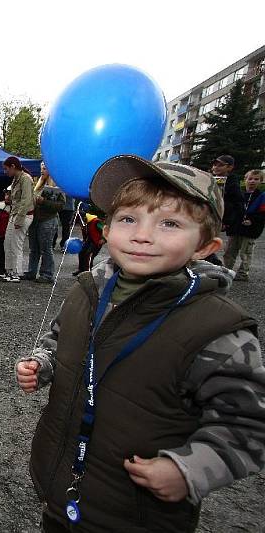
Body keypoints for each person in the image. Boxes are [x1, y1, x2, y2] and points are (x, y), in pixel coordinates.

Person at [16, 155, 265, 532]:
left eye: (169, 223)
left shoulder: (218, 328)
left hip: (136, 514)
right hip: (65, 483)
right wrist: (43, 363)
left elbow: (248, 423)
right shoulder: (87, 291)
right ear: (108, 226)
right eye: (128, 219)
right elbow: (59, 339)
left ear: (204, 246)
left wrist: (189, 469)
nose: (142, 235)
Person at [21, 166, 64, 284]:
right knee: (33, 248)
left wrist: (43, 202)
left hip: (48, 220)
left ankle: (47, 274)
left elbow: (61, 205)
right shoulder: (38, 184)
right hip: (35, 220)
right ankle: (31, 272)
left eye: (45, 168)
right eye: (41, 168)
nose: (42, 170)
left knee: (45, 248)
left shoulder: (58, 187)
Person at [223, 169, 265, 281]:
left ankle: (243, 273)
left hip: (250, 230)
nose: (252, 181)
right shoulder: (238, 194)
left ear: (261, 181)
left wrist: (252, 220)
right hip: (236, 227)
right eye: (250, 179)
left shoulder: (262, 197)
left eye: (256, 179)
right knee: (229, 251)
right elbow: (231, 209)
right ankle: (226, 270)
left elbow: (262, 213)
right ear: (245, 180)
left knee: (245, 253)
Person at [1, 156, 34, 282]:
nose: (5, 172)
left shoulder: (26, 179)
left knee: (16, 244)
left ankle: (16, 272)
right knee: (7, 243)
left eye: (6, 169)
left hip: (24, 215)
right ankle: (9, 271)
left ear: (13, 167)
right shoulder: (15, 179)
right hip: (14, 214)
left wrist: (19, 220)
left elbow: (26, 200)